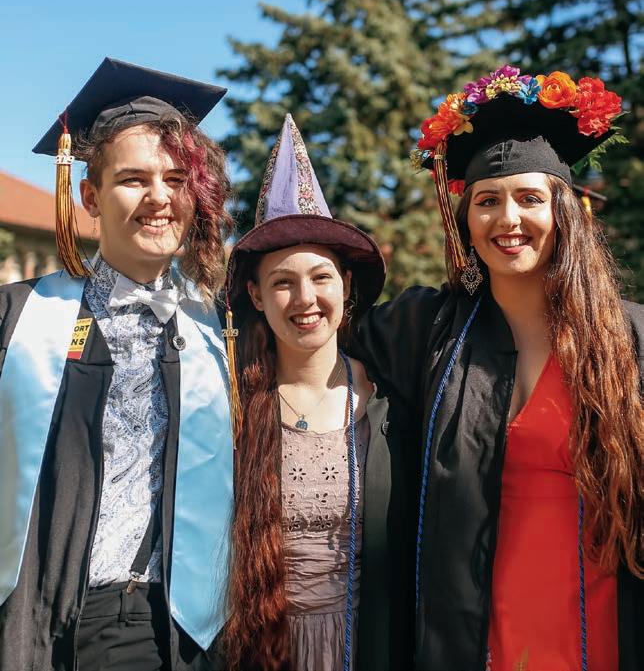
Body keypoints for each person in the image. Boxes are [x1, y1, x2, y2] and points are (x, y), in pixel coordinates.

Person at [351, 66, 643, 670]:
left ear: (564, 212)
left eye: (529, 199)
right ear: (464, 219)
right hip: (474, 633)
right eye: (487, 201)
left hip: (603, 624)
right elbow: (317, 328)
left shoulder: (629, 340)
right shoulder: (427, 330)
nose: (507, 220)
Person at [0, 58, 234, 671]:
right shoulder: (20, 319)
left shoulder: (225, 329)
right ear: (89, 196)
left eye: (177, 179)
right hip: (35, 617)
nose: (160, 197)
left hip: (173, 630)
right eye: (134, 179)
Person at [221, 115, 416, 671]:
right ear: (256, 295)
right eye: (282, 282)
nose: (304, 298)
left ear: (346, 285)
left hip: (368, 649)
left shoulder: (390, 403)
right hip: (261, 652)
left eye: (321, 277)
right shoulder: (232, 405)